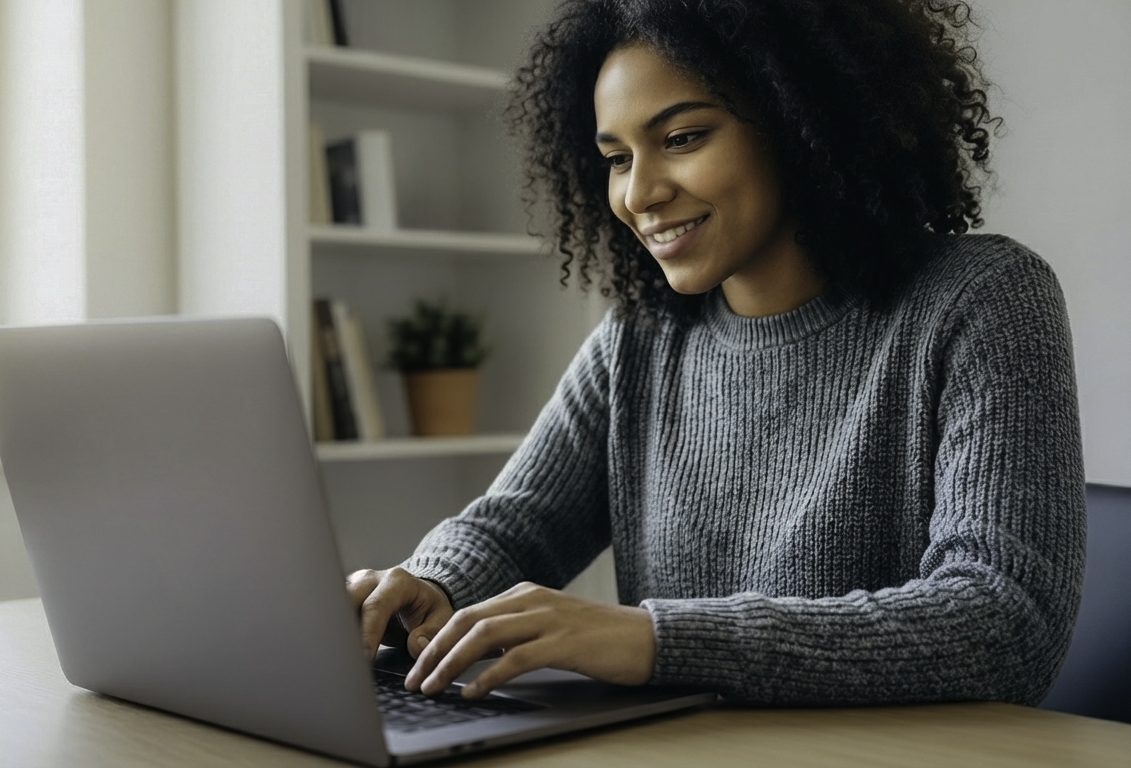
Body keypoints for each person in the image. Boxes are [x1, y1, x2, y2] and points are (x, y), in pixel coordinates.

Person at [347, 0, 1085, 707]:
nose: (640, 193)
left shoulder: (982, 300)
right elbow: (516, 524)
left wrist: (655, 640)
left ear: (805, 120)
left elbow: (1005, 621)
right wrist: (429, 586)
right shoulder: (641, 336)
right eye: (615, 158)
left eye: (681, 138)